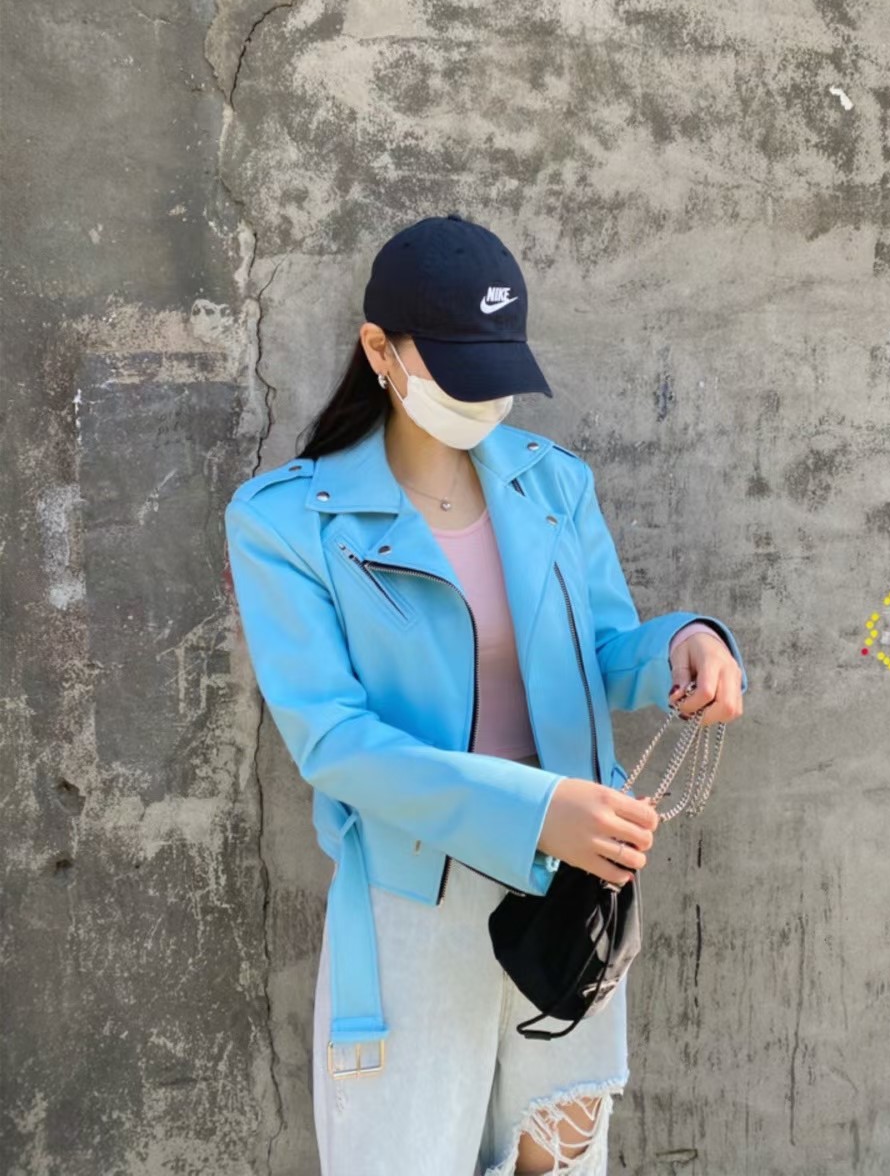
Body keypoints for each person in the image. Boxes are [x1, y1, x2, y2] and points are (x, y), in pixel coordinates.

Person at [224, 213, 747, 1176]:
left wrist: (687, 642)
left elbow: (599, 650)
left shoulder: (552, 485)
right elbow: (332, 739)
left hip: (576, 890)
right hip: (416, 898)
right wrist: (536, 811)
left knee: (560, 1158)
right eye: (457, 367)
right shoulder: (288, 523)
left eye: (496, 369)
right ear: (378, 349)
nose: (483, 396)